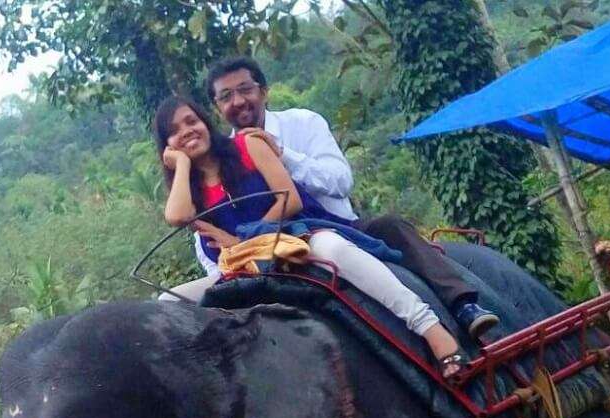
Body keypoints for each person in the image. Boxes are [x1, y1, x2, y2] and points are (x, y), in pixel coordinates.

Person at [155, 95, 467, 377]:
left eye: (192, 121)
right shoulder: (189, 190)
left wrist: (247, 240)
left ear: (206, 123)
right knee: (167, 300)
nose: (187, 131)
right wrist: (182, 165)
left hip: (295, 235)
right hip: (243, 266)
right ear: (168, 144)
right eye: (175, 130)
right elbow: (177, 216)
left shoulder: (248, 146)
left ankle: (429, 327)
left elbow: (290, 200)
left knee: (335, 250)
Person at [191, 56, 499, 341]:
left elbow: (340, 181)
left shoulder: (302, 123)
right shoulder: (225, 158)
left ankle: (462, 304)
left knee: (390, 226)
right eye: (226, 96)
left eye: (245, 89)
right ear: (217, 107)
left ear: (264, 91)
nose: (238, 101)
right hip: (274, 254)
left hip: (339, 226)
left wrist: (281, 154)